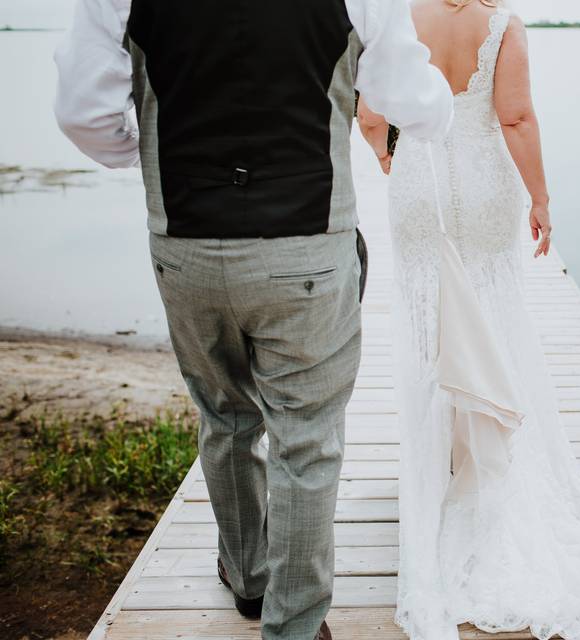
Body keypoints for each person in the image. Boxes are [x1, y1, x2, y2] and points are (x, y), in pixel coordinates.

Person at [53, 1, 453, 639]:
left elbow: (82, 112)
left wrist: (147, 156)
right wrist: (440, 109)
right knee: (307, 440)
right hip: (308, 247)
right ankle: (292, 625)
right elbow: (414, 100)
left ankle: (248, 580)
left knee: (224, 415)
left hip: (183, 240)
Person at [357, 1, 580, 639]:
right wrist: (541, 198)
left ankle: (442, 465)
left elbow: (371, 113)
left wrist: (386, 157)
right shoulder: (504, 26)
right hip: (488, 182)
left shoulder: (399, 18)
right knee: (492, 315)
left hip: (422, 183)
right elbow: (514, 117)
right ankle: (484, 456)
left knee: (430, 325)